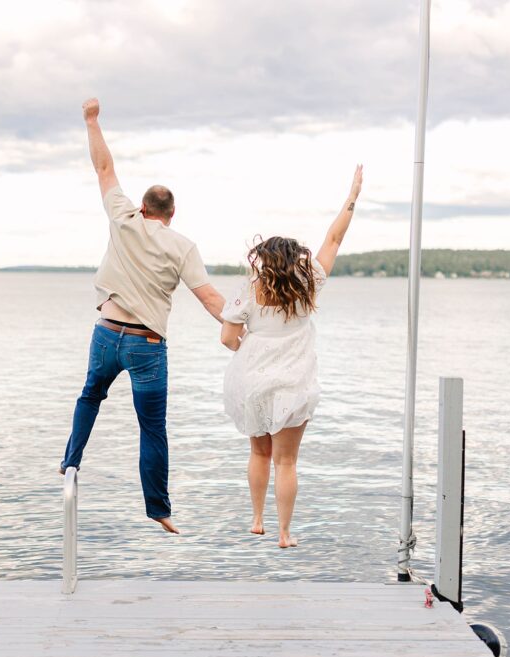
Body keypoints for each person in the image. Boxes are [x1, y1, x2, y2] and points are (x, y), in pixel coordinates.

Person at [61, 98, 226, 534]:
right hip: (147, 345)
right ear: (171, 215)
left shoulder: (123, 216)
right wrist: (243, 330)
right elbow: (209, 297)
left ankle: (71, 460)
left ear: (143, 206)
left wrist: (92, 121)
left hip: (105, 332)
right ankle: (158, 509)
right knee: (152, 429)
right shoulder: (182, 245)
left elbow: (103, 168)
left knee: (90, 395)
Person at [220, 165, 363, 548]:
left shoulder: (249, 288)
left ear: (264, 259)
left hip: (252, 381)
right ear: (294, 258)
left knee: (258, 453)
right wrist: (351, 198)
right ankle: (284, 534)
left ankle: (256, 519)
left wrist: (245, 344)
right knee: (287, 462)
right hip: (294, 384)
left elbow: (227, 337)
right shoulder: (308, 282)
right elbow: (333, 239)